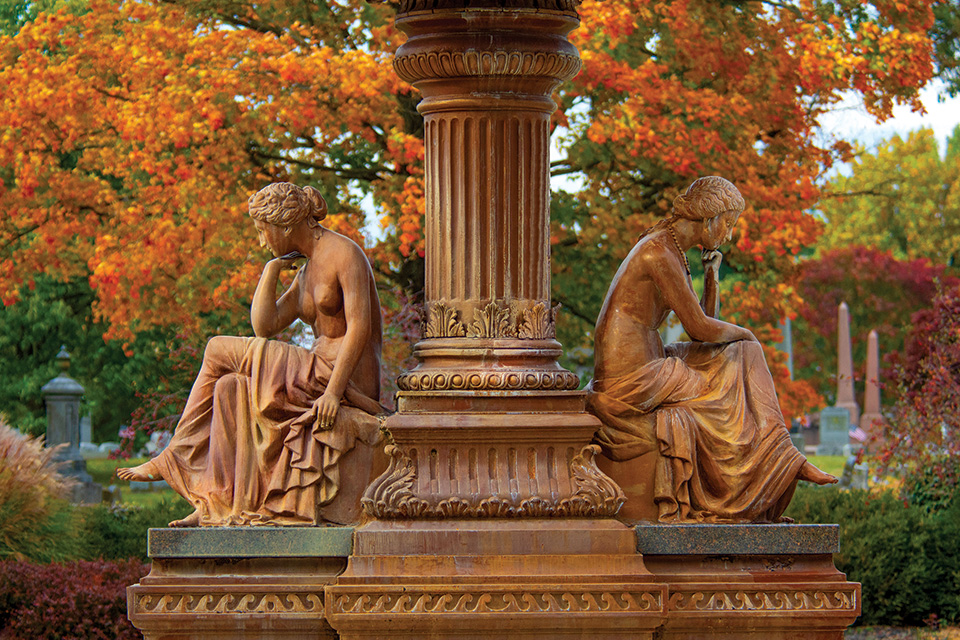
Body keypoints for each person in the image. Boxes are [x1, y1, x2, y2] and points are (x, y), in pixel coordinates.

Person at [118, 183, 385, 526]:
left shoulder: (344, 254)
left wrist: (334, 393)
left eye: (263, 231)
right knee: (229, 387)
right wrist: (271, 270)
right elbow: (266, 324)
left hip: (343, 378)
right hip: (314, 370)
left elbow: (360, 329)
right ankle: (216, 501)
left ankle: (176, 454)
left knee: (216, 349)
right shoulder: (305, 271)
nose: (261, 241)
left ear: (285, 226)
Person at [588, 176, 836, 523]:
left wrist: (712, 277)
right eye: (729, 224)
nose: (729, 234)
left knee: (739, 356)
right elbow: (701, 329)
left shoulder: (671, 248)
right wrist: (749, 335)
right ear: (710, 217)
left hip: (650, 359)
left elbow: (704, 326)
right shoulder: (657, 251)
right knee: (729, 382)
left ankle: (782, 459)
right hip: (631, 374)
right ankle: (774, 467)